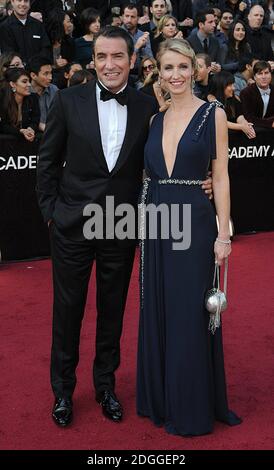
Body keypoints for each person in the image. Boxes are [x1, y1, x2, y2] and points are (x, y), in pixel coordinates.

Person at [37, 26, 213, 428]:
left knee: (112, 311)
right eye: (102, 57)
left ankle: (105, 386)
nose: (110, 64)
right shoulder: (67, 101)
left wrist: (201, 179)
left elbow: (165, 157)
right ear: (93, 60)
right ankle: (63, 391)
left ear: (132, 62)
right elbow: (46, 165)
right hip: (72, 227)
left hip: (120, 226)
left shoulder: (146, 108)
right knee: (67, 312)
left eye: (118, 57)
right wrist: (52, 213)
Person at [137, 38, 242, 436]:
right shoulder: (155, 118)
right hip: (156, 223)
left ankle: (191, 405)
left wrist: (223, 234)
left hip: (194, 227)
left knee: (188, 313)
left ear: (195, 70)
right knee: (159, 308)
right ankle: (161, 398)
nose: (176, 75)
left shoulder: (212, 113)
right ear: (157, 73)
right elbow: (147, 175)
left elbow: (220, 176)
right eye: (168, 68)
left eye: (183, 67)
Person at [0, 67, 40, 141]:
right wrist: (20, 131)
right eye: (24, 82)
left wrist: (31, 129)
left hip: (27, 143)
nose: (29, 85)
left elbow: (35, 119)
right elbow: (2, 125)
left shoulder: (33, 98)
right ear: (13, 84)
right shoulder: (2, 100)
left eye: (29, 81)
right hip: (5, 143)